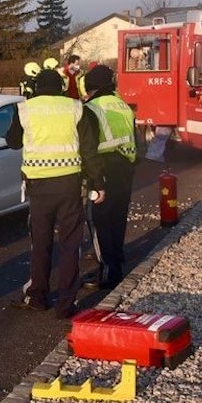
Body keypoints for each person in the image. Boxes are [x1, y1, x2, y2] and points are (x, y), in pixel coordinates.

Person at [5, 68, 98, 317]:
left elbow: (13, 141)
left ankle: (38, 297)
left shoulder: (25, 109)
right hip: (69, 184)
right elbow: (89, 149)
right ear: (60, 87)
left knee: (41, 245)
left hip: (38, 187)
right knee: (70, 245)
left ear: (36, 87)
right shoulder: (77, 108)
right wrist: (97, 183)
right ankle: (66, 305)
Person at [80, 65, 136, 290]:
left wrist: (91, 176)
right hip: (126, 166)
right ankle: (118, 259)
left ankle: (110, 271)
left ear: (91, 87)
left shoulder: (92, 108)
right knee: (118, 217)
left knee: (100, 220)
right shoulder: (121, 103)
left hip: (104, 168)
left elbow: (89, 146)